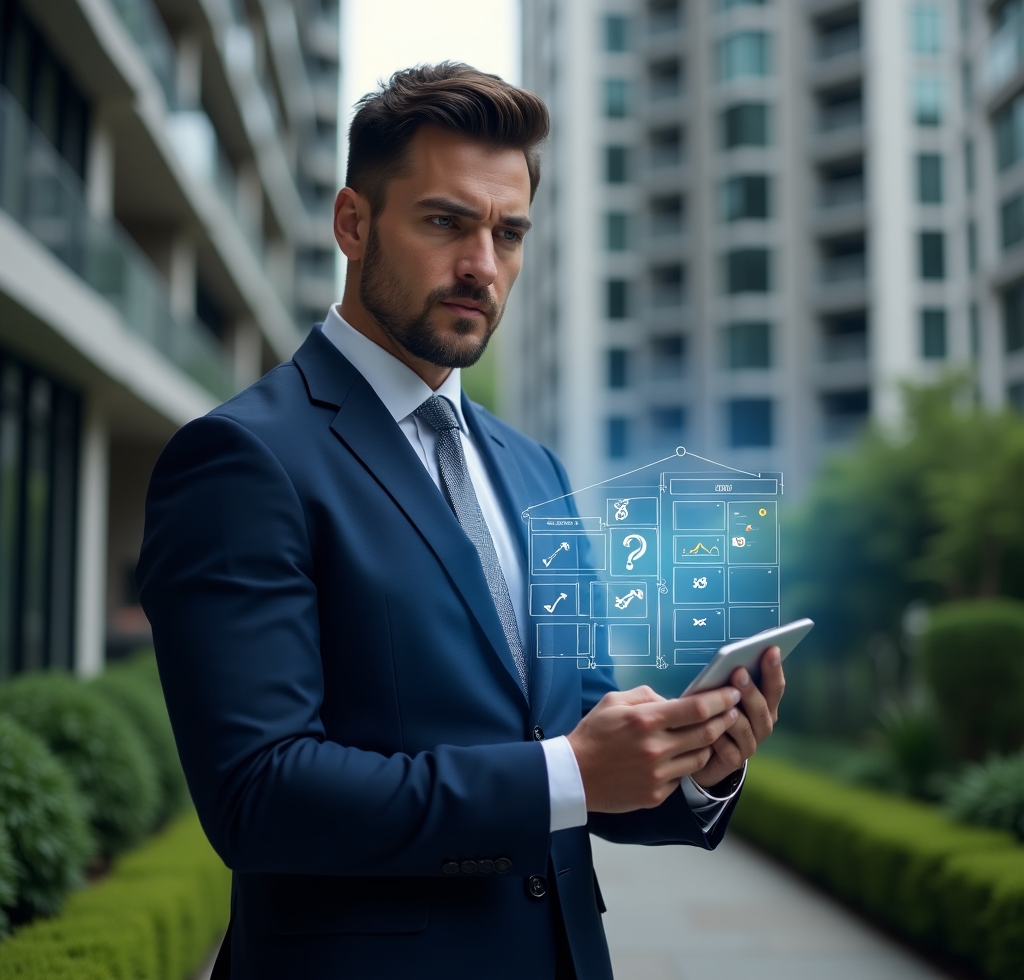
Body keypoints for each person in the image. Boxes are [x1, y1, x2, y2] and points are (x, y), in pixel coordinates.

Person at [137, 63, 785, 980]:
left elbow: (574, 744)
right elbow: (259, 792)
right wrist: (565, 772)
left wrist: (694, 765)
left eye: (509, 232)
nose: (483, 264)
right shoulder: (241, 459)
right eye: (446, 222)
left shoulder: (532, 470)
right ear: (353, 223)